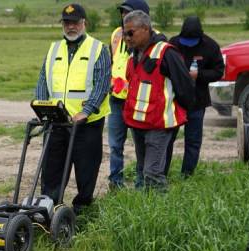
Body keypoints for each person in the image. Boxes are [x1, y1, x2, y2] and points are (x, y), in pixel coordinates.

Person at [34, 3, 111, 213]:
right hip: (57, 121)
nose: (71, 27)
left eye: (75, 22)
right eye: (67, 23)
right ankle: (48, 210)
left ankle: (81, 211)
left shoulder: (98, 49)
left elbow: (102, 84)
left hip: (87, 124)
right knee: (51, 169)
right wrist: (42, 107)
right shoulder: (53, 49)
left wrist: (86, 112)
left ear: (84, 23)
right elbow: (43, 80)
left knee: (86, 171)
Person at [122, 10, 194, 190]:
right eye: (125, 33)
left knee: (152, 174)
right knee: (141, 170)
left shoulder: (166, 52)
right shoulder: (134, 54)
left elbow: (185, 87)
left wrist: (178, 113)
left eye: (131, 33)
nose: (127, 37)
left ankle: (162, 213)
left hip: (159, 125)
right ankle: (145, 211)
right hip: (138, 124)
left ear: (145, 29)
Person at [164, 16, 224, 177]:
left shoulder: (210, 46)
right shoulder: (173, 43)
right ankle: (161, 172)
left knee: (193, 141)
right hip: (174, 102)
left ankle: (187, 174)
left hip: (197, 102)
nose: (188, 44)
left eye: (192, 41)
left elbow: (219, 71)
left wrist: (200, 75)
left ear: (200, 36)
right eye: (186, 40)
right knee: (167, 139)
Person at [108, 0, 153, 189]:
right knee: (115, 145)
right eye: (122, 13)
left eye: (128, 13)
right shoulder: (117, 34)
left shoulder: (152, 38)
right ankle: (115, 183)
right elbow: (113, 59)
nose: (123, 17)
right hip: (117, 99)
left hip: (138, 101)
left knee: (140, 146)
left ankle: (140, 184)